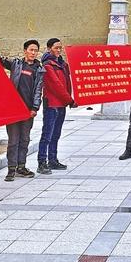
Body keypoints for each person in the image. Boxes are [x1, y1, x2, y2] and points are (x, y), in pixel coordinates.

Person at [0, 39, 44, 181]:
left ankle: (21, 167)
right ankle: (11, 169)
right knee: (13, 141)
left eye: (36, 50)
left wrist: (35, 107)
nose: (33, 53)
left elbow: (38, 90)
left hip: (28, 111)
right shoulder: (16, 64)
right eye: (31, 50)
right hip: (13, 110)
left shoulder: (39, 69)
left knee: (24, 140)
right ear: (25, 51)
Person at [38, 37, 74, 174]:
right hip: (52, 104)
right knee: (47, 134)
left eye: (60, 48)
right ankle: (42, 162)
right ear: (49, 49)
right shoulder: (47, 65)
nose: (59, 50)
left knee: (56, 134)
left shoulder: (62, 64)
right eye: (56, 48)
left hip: (61, 104)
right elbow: (56, 85)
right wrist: (70, 100)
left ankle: (52, 160)